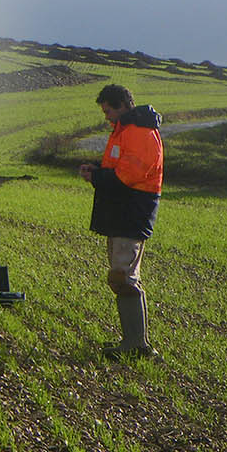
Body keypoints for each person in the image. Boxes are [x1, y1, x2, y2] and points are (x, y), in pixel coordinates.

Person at [78, 84, 163, 358]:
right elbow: (119, 169)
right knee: (121, 276)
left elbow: (129, 176)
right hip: (122, 212)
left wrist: (97, 177)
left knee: (123, 277)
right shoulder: (125, 131)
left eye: (108, 111)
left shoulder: (139, 133)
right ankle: (134, 342)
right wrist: (99, 170)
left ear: (122, 106)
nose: (106, 117)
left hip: (131, 211)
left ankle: (137, 345)